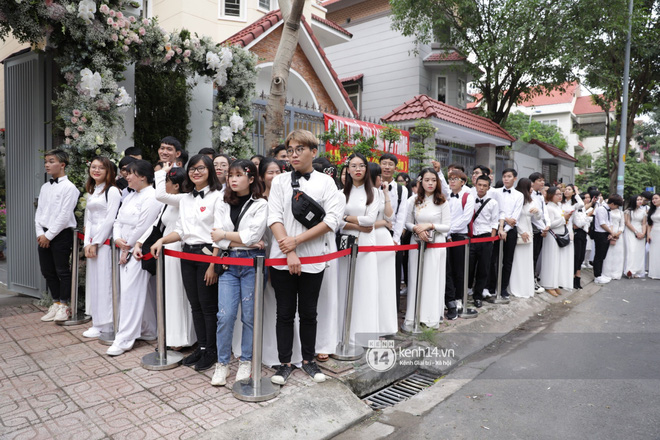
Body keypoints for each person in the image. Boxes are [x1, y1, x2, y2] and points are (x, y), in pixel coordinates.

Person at [267, 129, 342, 385]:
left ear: (313, 151)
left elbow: (332, 220)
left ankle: (309, 360)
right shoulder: (279, 181)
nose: (294, 154)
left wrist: (296, 243)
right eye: (291, 149)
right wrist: (289, 252)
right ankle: (285, 363)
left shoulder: (326, 182)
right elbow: (274, 217)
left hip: (313, 258)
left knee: (309, 312)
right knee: (284, 313)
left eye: (300, 149)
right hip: (281, 259)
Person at [148, 155, 223, 371]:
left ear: (210, 171)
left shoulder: (218, 196)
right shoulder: (187, 198)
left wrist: (213, 264)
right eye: (192, 169)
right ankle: (201, 348)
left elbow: (219, 231)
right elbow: (180, 230)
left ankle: (212, 350)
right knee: (195, 304)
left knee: (209, 306)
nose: (196, 172)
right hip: (187, 254)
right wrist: (162, 239)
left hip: (207, 254)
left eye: (201, 168)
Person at [210, 160, 268, 386]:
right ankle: (222, 363)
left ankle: (246, 360)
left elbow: (252, 237)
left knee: (249, 316)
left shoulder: (260, 204)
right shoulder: (222, 202)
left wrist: (226, 236)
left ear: (251, 178)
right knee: (224, 316)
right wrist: (232, 239)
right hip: (228, 264)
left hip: (252, 264)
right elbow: (216, 235)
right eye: (230, 175)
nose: (232, 179)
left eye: (238, 175)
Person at [135, 165, 196, 349]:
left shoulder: (183, 200)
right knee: (169, 294)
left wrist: (161, 172)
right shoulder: (169, 204)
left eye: (167, 182)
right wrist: (139, 242)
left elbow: (159, 194)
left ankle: (183, 339)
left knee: (178, 293)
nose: (163, 185)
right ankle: (171, 337)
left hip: (176, 247)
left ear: (176, 186)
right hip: (164, 249)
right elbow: (156, 225)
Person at [107, 160, 163, 355]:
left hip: (138, 251)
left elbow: (144, 226)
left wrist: (127, 246)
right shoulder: (130, 196)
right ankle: (148, 329)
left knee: (132, 294)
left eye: (130, 173)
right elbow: (117, 220)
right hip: (124, 246)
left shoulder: (152, 197)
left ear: (142, 176)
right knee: (134, 292)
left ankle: (124, 339)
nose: (126, 177)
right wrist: (117, 239)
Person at [338, 153, 380, 344]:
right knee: (345, 286)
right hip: (346, 244)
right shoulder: (340, 194)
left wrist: (346, 218)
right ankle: (343, 332)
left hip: (366, 245)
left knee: (365, 287)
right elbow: (336, 222)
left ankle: (364, 334)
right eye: (353, 166)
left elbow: (371, 221)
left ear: (366, 168)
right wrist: (355, 224)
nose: (357, 169)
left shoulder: (374, 192)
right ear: (348, 169)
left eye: (361, 165)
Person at [36, 149, 80, 323]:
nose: (47, 164)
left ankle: (64, 305)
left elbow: (64, 215)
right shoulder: (45, 187)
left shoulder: (70, 188)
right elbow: (39, 213)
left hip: (60, 234)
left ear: (62, 164)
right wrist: (41, 234)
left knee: (62, 270)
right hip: (44, 234)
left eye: (51, 161)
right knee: (47, 271)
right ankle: (55, 302)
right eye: (46, 161)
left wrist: (49, 235)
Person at [404, 168, 450, 328]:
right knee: (415, 278)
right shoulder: (413, 200)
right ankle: (413, 316)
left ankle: (430, 317)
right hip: (415, 243)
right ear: (421, 181)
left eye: (433, 180)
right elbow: (407, 222)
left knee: (432, 279)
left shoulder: (442, 201)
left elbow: (447, 226)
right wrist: (417, 229)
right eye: (427, 180)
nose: (430, 183)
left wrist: (430, 226)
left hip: (436, 244)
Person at [82, 157, 121, 337]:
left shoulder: (112, 191)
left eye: (101, 168)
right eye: (94, 167)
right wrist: (87, 243)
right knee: (95, 282)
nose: (96, 170)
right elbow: (89, 219)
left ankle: (108, 323)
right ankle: (97, 321)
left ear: (108, 171)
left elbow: (110, 219)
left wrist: (97, 241)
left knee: (106, 282)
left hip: (105, 243)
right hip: (92, 242)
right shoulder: (92, 191)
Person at [368, 162, 398, 335]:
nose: (382, 178)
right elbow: (365, 221)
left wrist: (385, 192)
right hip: (371, 238)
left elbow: (390, 215)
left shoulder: (380, 193)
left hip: (383, 239)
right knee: (371, 283)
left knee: (386, 284)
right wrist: (383, 223)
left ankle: (386, 326)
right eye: (379, 175)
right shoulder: (364, 194)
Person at [486, 168, 523, 299]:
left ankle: (503, 288)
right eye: (504, 176)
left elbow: (515, 217)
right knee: (492, 259)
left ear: (515, 178)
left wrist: (506, 229)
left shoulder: (519, 195)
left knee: (507, 260)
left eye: (509, 176)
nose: (506, 179)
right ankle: (491, 287)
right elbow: (493, 210)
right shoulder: (495, 192)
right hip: (496, 228)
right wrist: (503, 223)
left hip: (510, 231)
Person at [379, 153, 409, 313]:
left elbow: (402, 216)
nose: (387, 167)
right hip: (374, 233)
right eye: (384, 163)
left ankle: (392, 311)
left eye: (390, 164)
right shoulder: (372, 184)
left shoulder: (401, 189)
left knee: (394, 276)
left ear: (395, 168)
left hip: (392, 236)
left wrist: (396, 239)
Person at [444, 169, 474, 319]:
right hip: (445, 236)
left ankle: (459, 299)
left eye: (455, 179)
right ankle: (448, 299)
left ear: (462, 182)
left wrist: (449, 230)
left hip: (458, 236)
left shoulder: (468, 196)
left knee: (459, 269)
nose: (452, 181)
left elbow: (466, 218)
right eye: (450, 179)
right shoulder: (445, 196)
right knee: (447, 269)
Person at [468, 175, 499, 307]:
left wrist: (491, 239)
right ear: (475, 184)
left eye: (484, 185)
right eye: (479, 185)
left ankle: (478, 296)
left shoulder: (493, 203)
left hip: (486, 237)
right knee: (468, 267)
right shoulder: (469, 199)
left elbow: (494, 222)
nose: (481, 188)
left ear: (488, 187)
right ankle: (465, 291)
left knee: (483, 268)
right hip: (471, 237)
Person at [509, 178, 541, 298]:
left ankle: (526, 288)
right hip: (518, 233)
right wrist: (521, 231)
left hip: (529, 233)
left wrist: (537, 212)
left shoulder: (531, 201)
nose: (532, 189)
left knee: (527, 261)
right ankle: (516, 287)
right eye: (530, 187)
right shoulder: (517, 199)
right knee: (517, 261)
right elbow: (514, 217)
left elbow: (538, 218)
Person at [592, 195, 624, 284]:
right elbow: (602, 223)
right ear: (612, 203)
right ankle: (597, 276)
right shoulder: (601, 209)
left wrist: (610, 233)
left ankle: (600, 274)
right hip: (600, 233)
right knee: (599, 255)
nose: (616, 208)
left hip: (605, 233)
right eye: (616, 206)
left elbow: (609, 222)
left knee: (602, 255)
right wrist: (612, 232)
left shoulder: (608, 210)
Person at [539, 187, 565, 297]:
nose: (560, 196)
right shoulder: (549, 207)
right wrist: (564, 219)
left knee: (556, 261)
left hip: (558, 235)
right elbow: (550, 224)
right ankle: (548, 284)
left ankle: (554, 284)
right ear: (550, 195)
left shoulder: (558, 206)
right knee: (550, 260)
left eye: (560, 194)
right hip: (551, 236)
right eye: (557, 194)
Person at [529, 172, 548, 293]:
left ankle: (534, 279)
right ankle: (531, 280)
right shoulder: (530, 196)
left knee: (536, 256)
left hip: (540, 229)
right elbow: (533, 216)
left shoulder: (540, 195)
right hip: (533, 229)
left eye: (543, 180)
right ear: (533, 182)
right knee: (531, 257)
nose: (542, 182)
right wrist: (542, 227)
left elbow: (544, 213)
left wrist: (546, 226)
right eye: (539, 180)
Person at [558, 184, 578, 290]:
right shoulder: (560, 203)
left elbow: (581, 205)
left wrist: (577, 193)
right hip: (559, 228)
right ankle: (557, 279)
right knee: (559, 256)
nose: (566, 191)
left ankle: (565, 280)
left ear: (573, 192)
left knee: (568, 255)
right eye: (565, 189)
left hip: (569, 230)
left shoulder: (574, 205)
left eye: (569, 190)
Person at [573, 192, 594, 289]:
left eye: (587, 198)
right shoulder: (575, 209)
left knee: (581, 256)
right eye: (584, 198)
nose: (586, 200)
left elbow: (585, 224)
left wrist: (586, 220)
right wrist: (587, 218)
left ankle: (578, 277)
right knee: (577, 257)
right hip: (577, 235)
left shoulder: (583, 210)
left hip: (583, 234)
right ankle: (574, 279)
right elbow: (578, 224)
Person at [623, 195, 647, 278]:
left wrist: (643, 233)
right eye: (638, 200)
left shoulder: (643, 211)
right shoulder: (628, 211)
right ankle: (629, 270)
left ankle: (637, 270)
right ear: (633, 201)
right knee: (631, 250)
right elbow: (627, 223)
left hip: (640, 231)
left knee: (639, 251)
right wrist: (636, 232)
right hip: (630, 231)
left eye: (641, 199)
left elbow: (644, 223)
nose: (640, 201)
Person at [602, 193, 625, 280]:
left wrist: (618, 233)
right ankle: (607, 272)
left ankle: (616, 273)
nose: (616, 206)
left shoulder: (621, 213)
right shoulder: (606, 211)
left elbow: (622, 225)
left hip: (618, 235)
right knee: (608, 254)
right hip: (607, 233)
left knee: (618, 254)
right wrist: (611, 233)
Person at [647, 193, 660, 279]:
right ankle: (655, 272)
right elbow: (649, 224)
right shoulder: (652, 210)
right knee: (654, 252)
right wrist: (648, 234)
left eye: (656, 198)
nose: (654, 200)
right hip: (654, 233)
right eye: (652, 199)